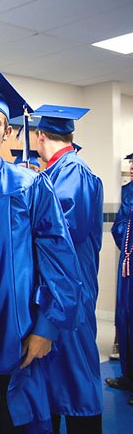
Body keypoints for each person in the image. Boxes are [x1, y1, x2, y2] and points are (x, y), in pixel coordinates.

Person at [0, 72, 82, 433]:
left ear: (7, 132)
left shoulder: (32, 186)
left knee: (12, 420)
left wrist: (47, 328)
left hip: (17, 335)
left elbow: (60, 263)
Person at [33, 104, 103, 433]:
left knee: (76, 380)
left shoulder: (73, 171)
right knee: (57, 378)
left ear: (40, 136)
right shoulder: (56, 171)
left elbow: (61, 233)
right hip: (58, 290)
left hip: (69, 292)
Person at [108, 151, 133, 405]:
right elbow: (119, 227)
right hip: (128, 266)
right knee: (126, 319)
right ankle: (129, 377)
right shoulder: (128, 191)